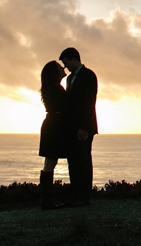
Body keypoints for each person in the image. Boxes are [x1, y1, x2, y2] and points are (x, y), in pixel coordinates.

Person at [59, 47, 98, 207]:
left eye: (66, 62)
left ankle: (84, 196)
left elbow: (89, 103)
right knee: (72, 162)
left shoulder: (89, 75)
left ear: (74, 58)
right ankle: (74, 194)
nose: (65, 67)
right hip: (71, 128)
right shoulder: (69, 79)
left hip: (84, 126)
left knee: (83, 161)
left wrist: (84, 127)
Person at [38, 60, 74, 210]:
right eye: (60, 68)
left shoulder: (51, 88)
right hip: (54, 126)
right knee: (50, 163)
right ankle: (46, 199)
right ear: (55, 73)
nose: (63, 68)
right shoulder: (55, 88)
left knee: (50, 162)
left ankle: (47, 198)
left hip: (52, 125)